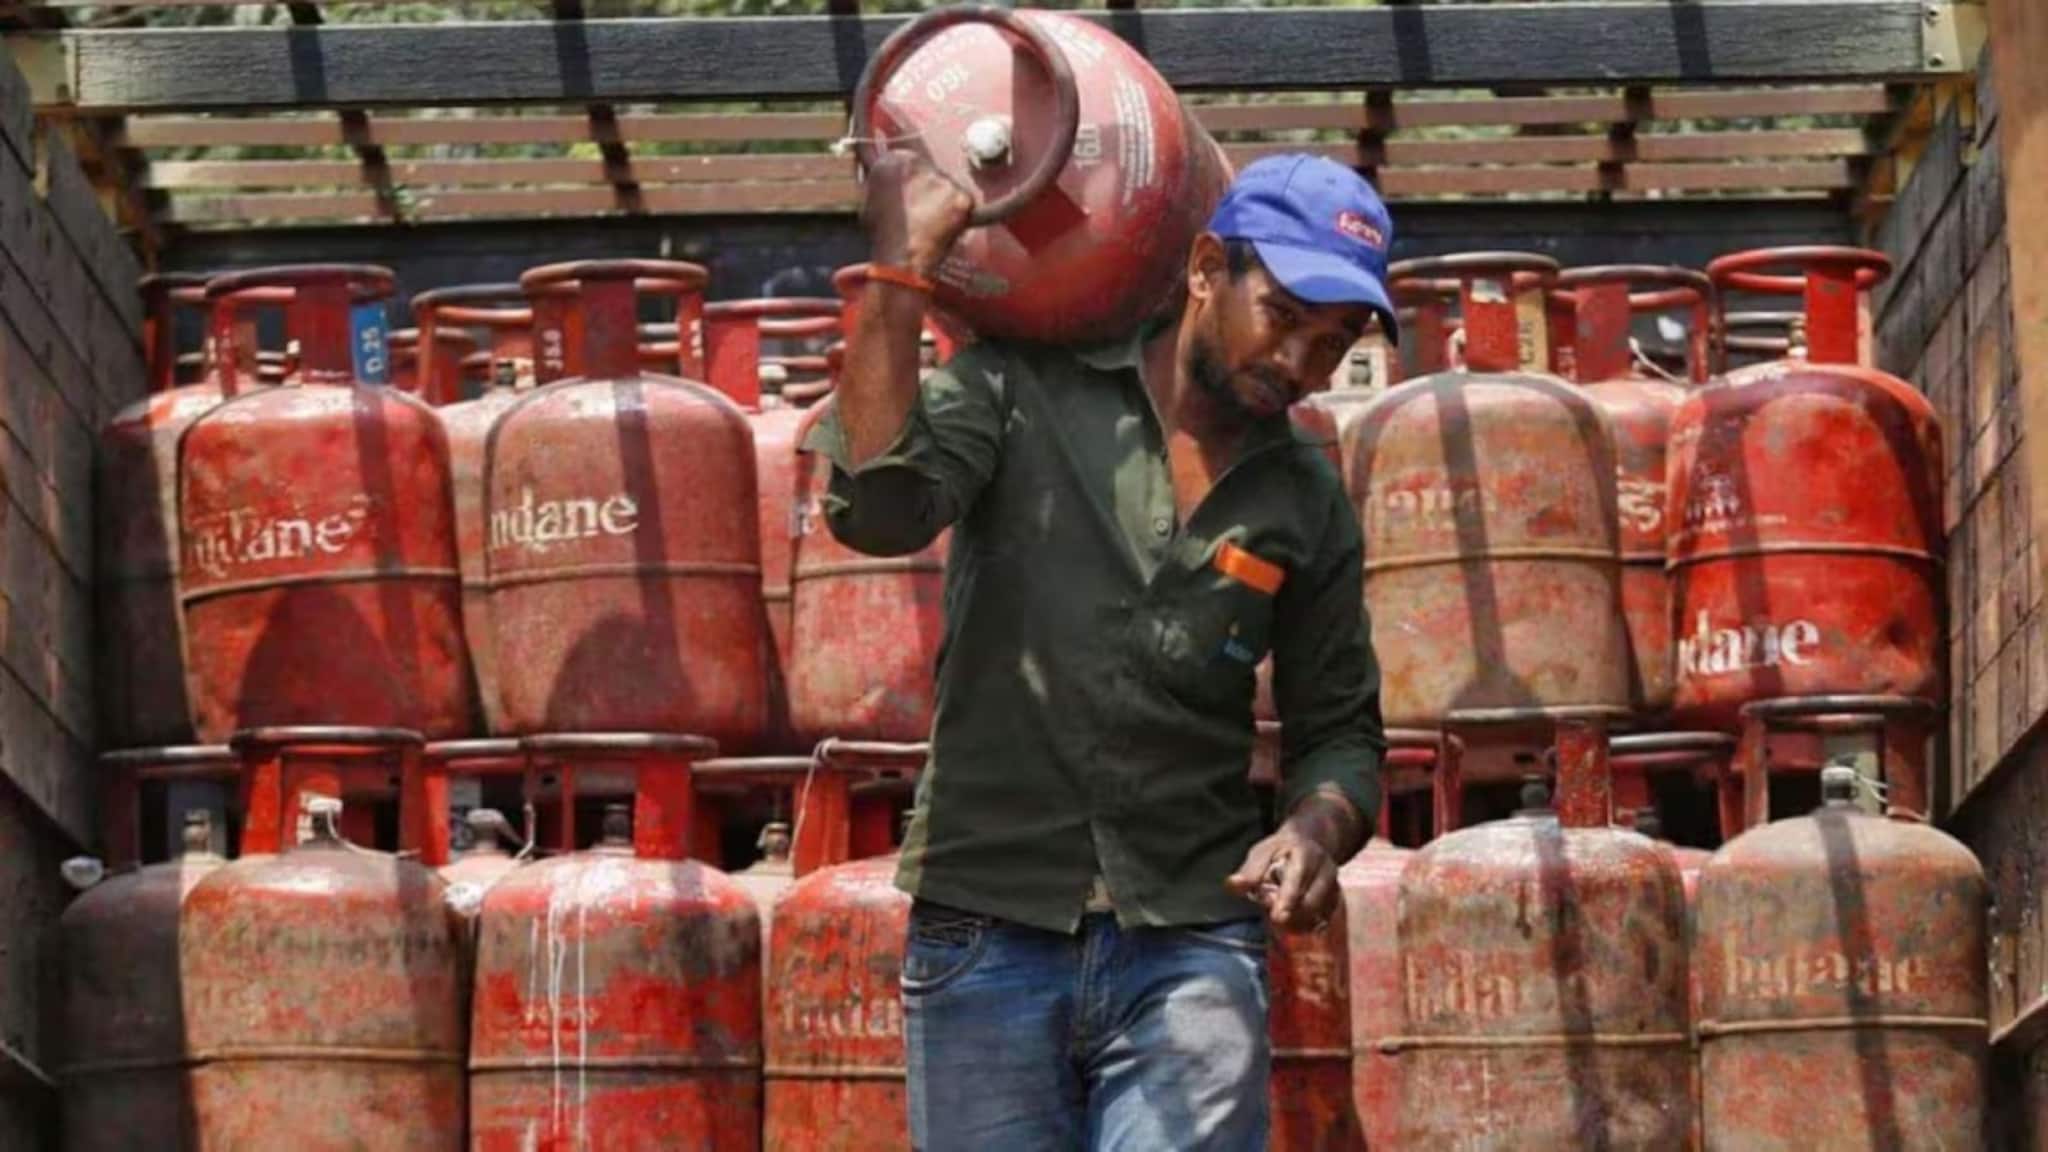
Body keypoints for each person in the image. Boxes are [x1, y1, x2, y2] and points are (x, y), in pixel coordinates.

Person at [807, 150, 1395, 1151]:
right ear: (1205, 268)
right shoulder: (1018, 388)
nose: (1300, 362)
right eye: (1284, 316)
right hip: (987, 923)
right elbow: (873, 511)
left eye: (1332, 342)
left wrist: (1312, 831)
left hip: (1189, 941)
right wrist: (900, 274)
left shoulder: (1303, 497)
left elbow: (1339, 731)